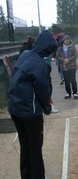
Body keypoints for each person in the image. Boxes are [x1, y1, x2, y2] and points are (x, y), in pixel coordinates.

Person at [8, 30, 58, 179]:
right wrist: (47, 108)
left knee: (26, 147)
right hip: (29, 112)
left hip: (15, 108)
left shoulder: (25, 55)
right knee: (35, 149)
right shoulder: (39, 63)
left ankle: (26, 175)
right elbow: (43, 90)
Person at [56, 35, 78, 99]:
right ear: (63, 41)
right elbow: (57, 56)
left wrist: (68, 59)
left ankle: (75, 93)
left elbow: (75, 55)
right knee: (66, 81)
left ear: (69, 40)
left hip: (72, 66)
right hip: (64, 67)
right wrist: (64, 60)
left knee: (73, 80)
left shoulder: (72, 47)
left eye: (68, 40)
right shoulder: (60, 48)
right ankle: (68, 93)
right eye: (65, 40)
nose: (67, 41)